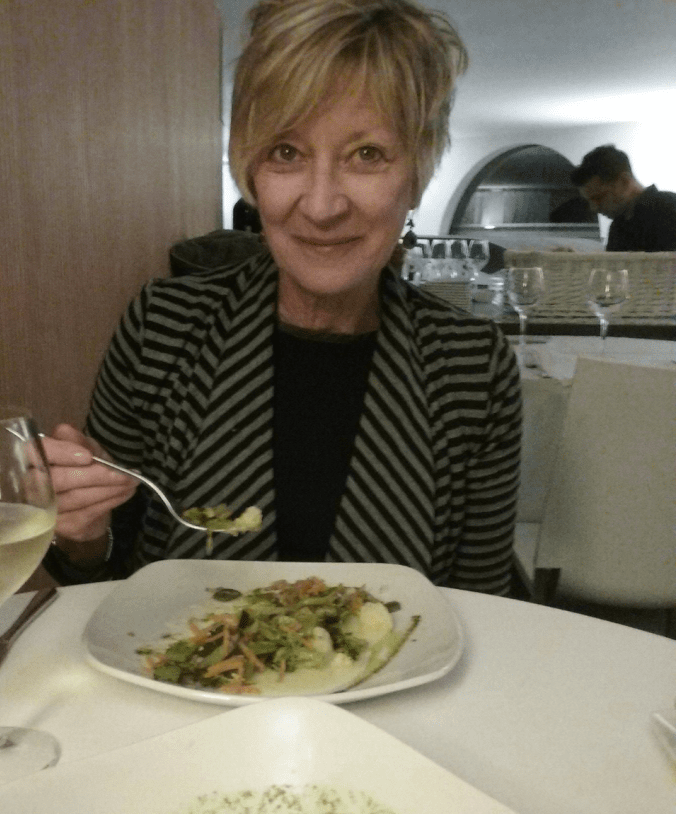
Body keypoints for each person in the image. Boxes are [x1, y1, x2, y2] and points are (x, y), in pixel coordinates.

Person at [43, 0, 522, 596]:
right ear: (252, 171)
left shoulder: (474, 366)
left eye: (366, 154)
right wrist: (81, 529)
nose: (321, 206)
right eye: (287, 153)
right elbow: (106, 580)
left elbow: (482, 608)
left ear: (416, 175)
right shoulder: (161, 328)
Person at [570, 145, 676, 252]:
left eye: (599, 197)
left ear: (624, 181)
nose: (594, 208)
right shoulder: (618, 225)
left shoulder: (669, 208)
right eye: (589, 201)